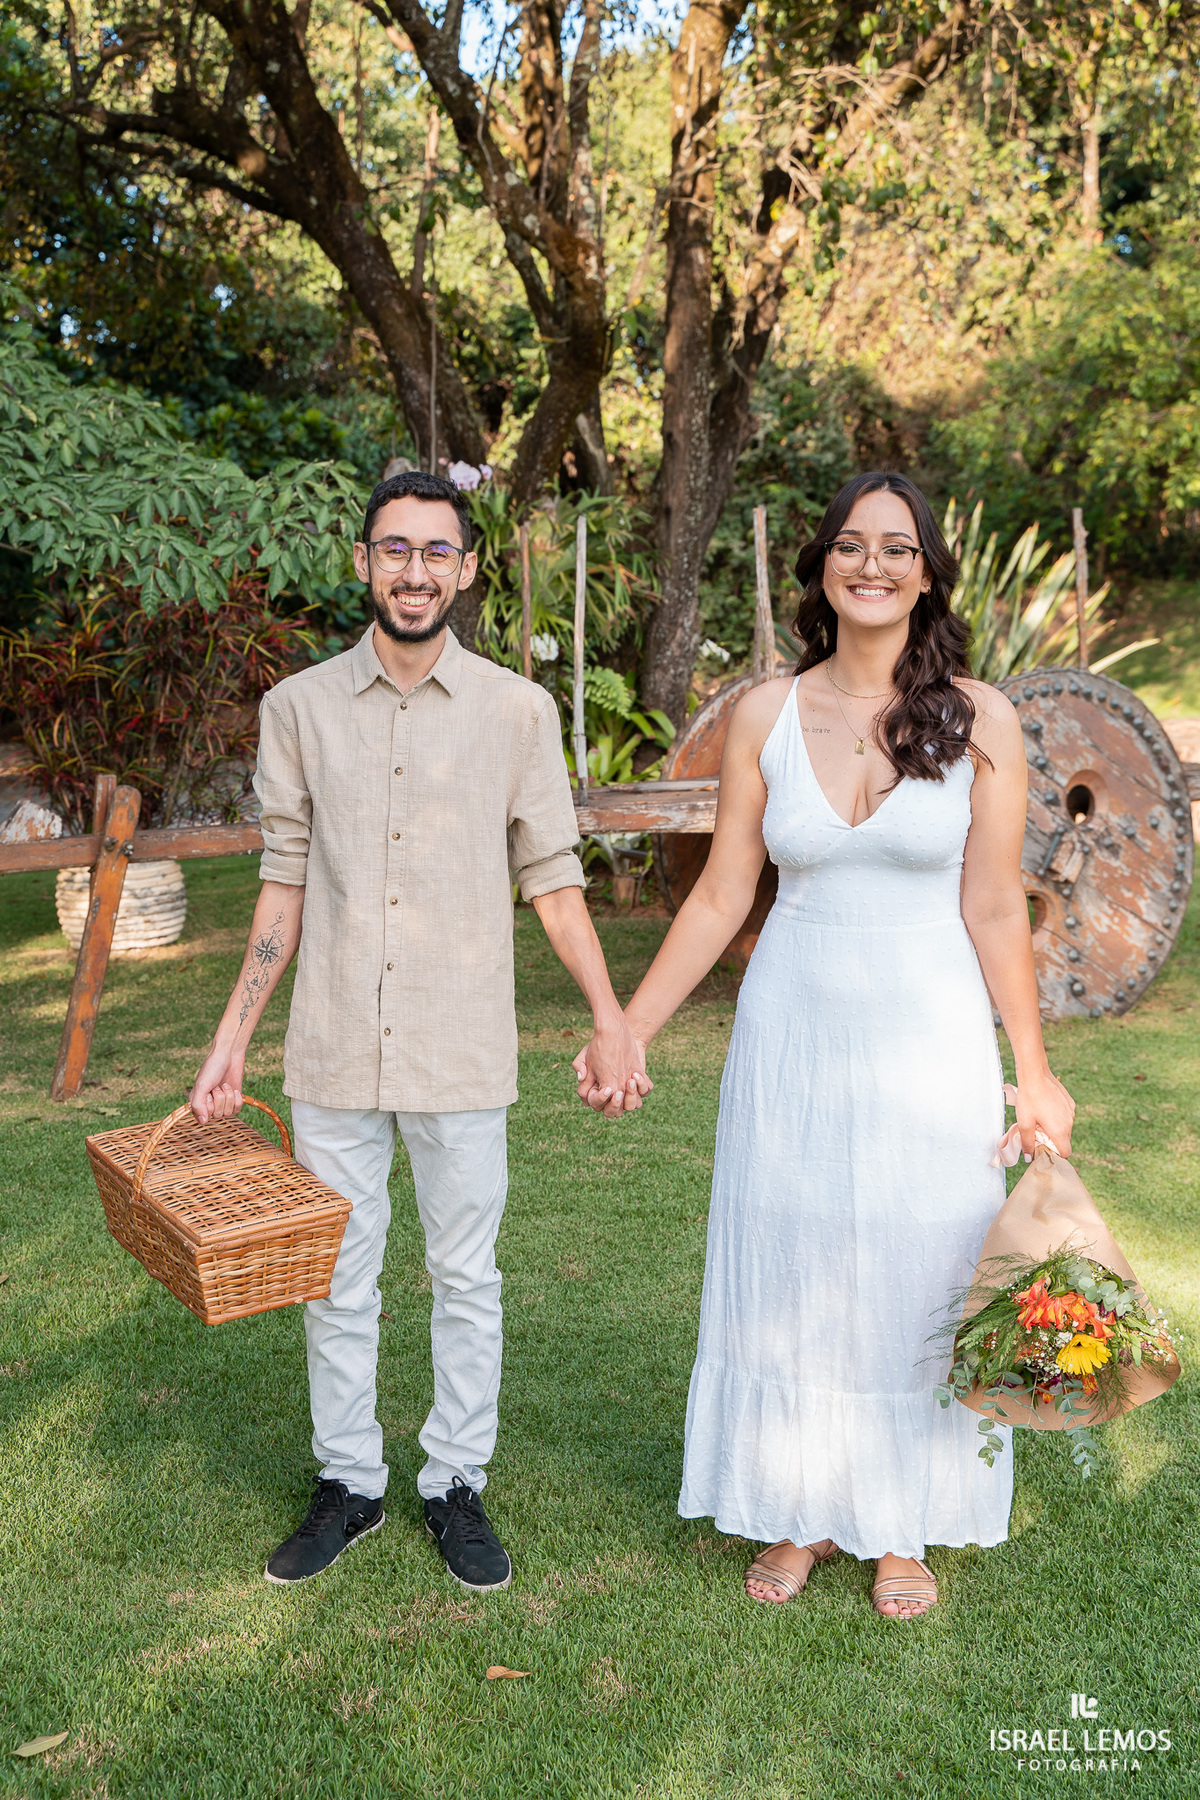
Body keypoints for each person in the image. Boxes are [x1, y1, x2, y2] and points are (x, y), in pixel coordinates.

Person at [579, 471, 1075, 1618]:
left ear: (927, 573)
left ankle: (902, 1520)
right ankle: (798, 1506)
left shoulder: (983, 720)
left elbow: (995, 906)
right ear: (822, 568)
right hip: (792, 1032)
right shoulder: (764, 713)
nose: (872, 565)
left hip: (929, 1036)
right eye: (851, 545)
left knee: (922, 1260)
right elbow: (721, 895)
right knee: (793, 1254)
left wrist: (1035, 1072)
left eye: (897, 548)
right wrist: (630, 1028)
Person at [189, 470, 645, 1591]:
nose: (415, 571)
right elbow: (284, 883)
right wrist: (233, 1035)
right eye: (394, 549)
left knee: (466, 1277)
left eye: (437, 552)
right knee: (335, 1280)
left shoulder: (517, 713)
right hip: (333, 1045)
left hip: (461, 1048)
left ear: (467, 570)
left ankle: (453, 1482)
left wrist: (610, 1017)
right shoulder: (297, 710)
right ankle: (349, 1481)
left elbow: (553, 879)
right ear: (363, 563)